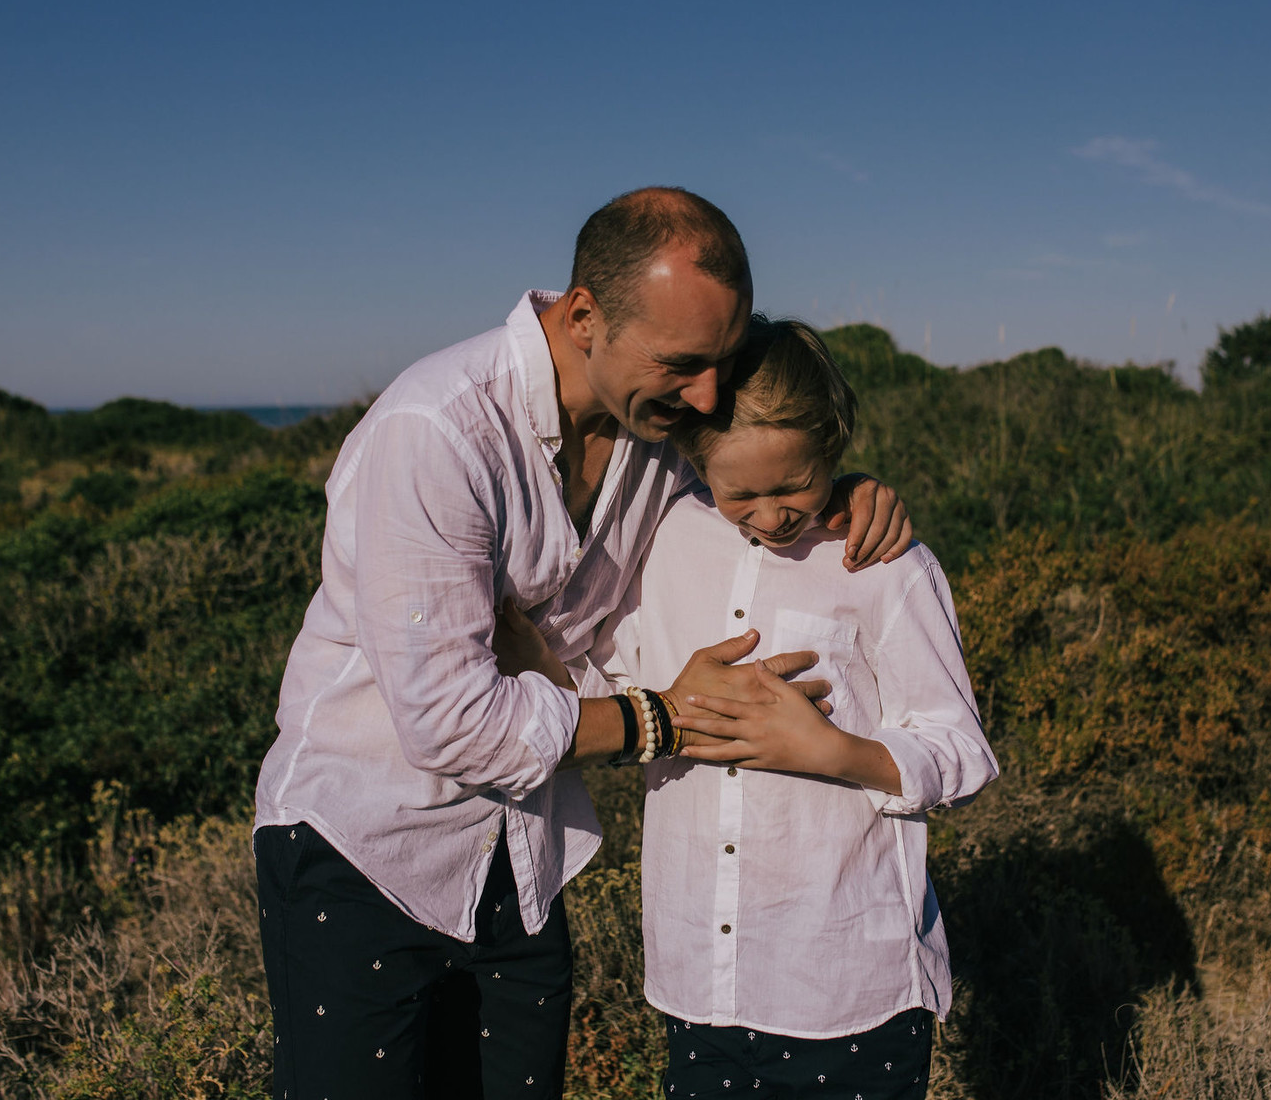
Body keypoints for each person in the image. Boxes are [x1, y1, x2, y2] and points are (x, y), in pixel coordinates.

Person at [251, 187, 914, 1100]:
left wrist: (844, 490)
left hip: (520, 853)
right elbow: (451, 727)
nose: (707, 395)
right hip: (366, 848)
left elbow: (754, 466)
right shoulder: (437, 433)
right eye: (683, 364)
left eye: (723, 362)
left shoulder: (661, 426)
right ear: (585, 315)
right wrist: (660, 720)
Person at [506, 316, 998, 1098]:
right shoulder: (662, 544)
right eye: (742, 492)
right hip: (699, 980)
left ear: (834, 450)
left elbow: (962, 751)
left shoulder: (881, 566)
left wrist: (835, 752)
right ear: (696, 460)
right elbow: (609, 685)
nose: (770, 515)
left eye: (794, 484)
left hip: (847, 984)